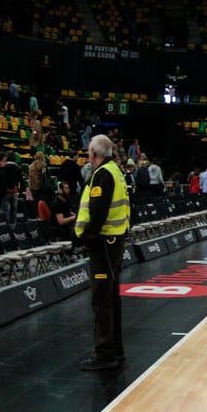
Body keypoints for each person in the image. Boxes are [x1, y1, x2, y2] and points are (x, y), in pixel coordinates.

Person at [73, 135, 130, 371]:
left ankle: (105, 353)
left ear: (93, 154)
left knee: (102, 300)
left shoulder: (102, 174)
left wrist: (87, 239)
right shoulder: (116, 170)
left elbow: (98, 212)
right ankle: (115, 349)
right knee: (111, 297)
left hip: (104, 244)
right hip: (115, 241)